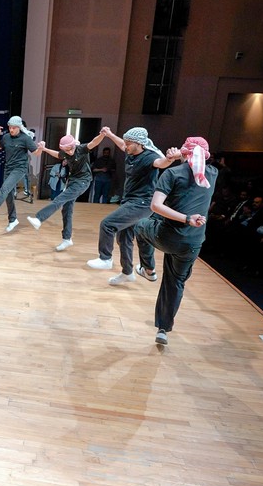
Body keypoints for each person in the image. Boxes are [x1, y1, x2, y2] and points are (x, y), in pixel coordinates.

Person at [133, 137, 219, 345]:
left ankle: (148, 269)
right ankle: (163, 330)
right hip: (193, 243)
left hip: (168, 236)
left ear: (185, 152)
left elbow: (156, 206)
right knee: (175, 282)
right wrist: (184, 154)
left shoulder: (172, 173)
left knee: (140, 226)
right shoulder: (213, 173)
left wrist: (186, 219)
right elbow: (197, 160)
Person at [86, 126, 174, 285]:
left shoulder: (149, 157)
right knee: (124, 238)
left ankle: (105, 258)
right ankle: (127, 273)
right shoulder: (130, 151)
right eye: (125, 143)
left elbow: (161, 163)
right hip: (129, 200)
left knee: (107, 224)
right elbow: (121, 144)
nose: (125, 146)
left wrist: (170, 159)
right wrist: (110, 134)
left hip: (142, 203)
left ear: (139, 143)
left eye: (128, 143)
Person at [27, 131, 105, 250]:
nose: (69, 152)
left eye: (70, 149)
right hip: (72, 181)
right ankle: (67, 239)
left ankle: (39, 218)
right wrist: (44, 149)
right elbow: (57, 154)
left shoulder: (82, 149)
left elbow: (94, 142)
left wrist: (103, 135)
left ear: (74, 145)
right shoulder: (65, 152)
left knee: (60, 199)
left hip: (83, 181)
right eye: (66, 151)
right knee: (67, 210)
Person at [0, 116, 42, 232]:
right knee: (8, 195)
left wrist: (41, 148)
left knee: (4, 188)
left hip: (19, 168)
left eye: (14, 128)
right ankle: (13, 220)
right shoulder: (6, 137)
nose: (11, 130)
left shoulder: (25, 139)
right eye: (10, 127)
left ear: (19, 127)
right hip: (8, 168)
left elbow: (36, 153)